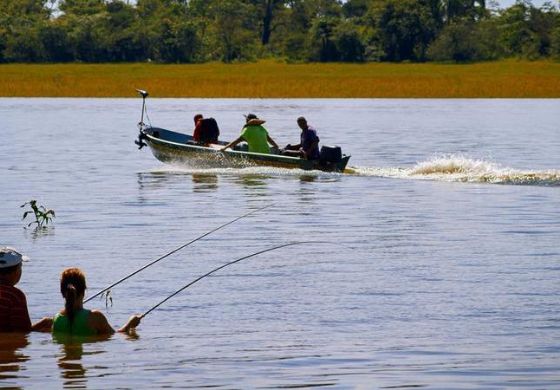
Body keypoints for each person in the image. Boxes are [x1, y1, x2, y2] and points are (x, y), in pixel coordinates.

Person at [50, 268, 141, 336]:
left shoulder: (57, 319)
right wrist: (130, 324)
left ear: (62, 293)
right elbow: (116, 336)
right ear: (84, 291)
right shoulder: (95, 317)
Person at [0, 247, 50, 332]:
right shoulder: (15, 296)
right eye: (20, 267)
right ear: (15, 271)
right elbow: (23, 332)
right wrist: (44, 323)